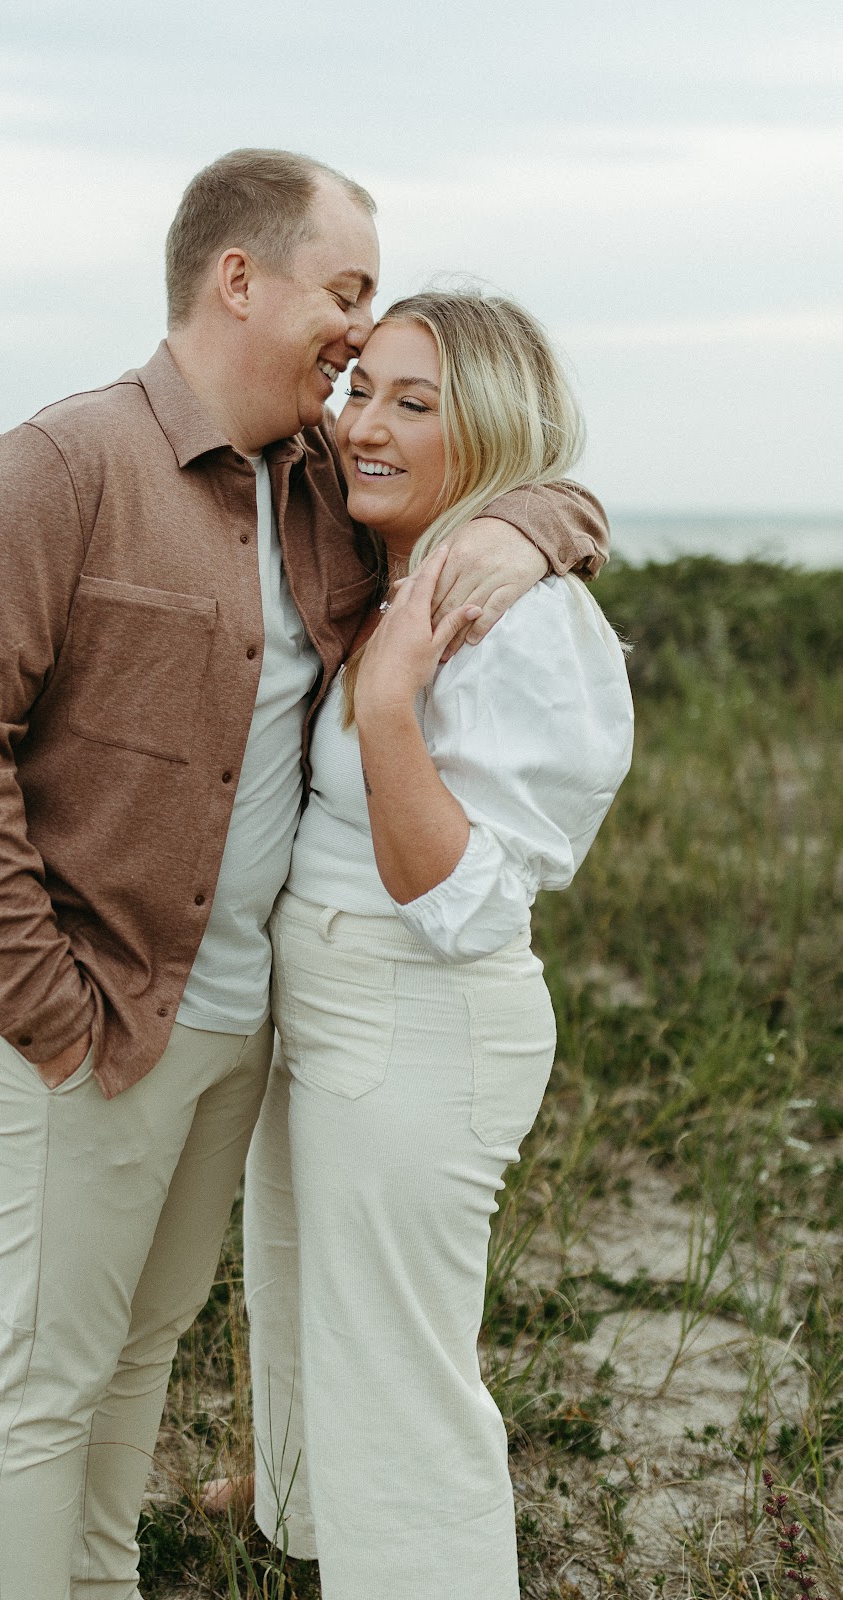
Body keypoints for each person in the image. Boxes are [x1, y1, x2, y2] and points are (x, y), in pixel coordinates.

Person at [0, 148, 609, 1600]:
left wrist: (538, 524)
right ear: (238, 278)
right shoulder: (64, 464)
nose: (357, 333)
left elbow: (489, 476)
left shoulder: (313, 485)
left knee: (142, 1353)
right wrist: (44, 1002)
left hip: (238, 1022)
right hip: (91, 1012)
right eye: (344, 293)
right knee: (48, 1375)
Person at [243, 291, 635, 1598]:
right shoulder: (408, 565)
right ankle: (306, 1529)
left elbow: (464, 904)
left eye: (416, 404)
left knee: (400, 1369)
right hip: (329, 1002)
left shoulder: (514, 618)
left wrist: (394, 704)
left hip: (417, 1013)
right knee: (302, 1298)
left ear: (491, 431)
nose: (366, 425)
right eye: (364, 391)